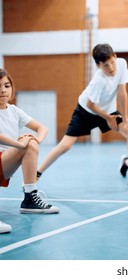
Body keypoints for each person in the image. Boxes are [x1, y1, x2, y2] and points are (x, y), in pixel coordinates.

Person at [36, 44, 128, 189]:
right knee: (65, 146)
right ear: (98, 66)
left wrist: (124, 119)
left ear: (115, 57)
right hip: (86, 112)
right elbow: (90, 104)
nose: (111, 68)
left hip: (108, 110)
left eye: (112, 62)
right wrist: (108, 118)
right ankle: (36, 173)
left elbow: (122, 94)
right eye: (105, 65)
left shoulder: (121, 64)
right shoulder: (99, 80)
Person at [0, 69, 59, 234]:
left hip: (3, 163)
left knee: (31, 143)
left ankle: (29, 200)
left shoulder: (13, 111)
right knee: (26, 143)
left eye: (6, 85)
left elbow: (42, 128)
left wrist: (36, 141)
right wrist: (19, 144)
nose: (3, 90)